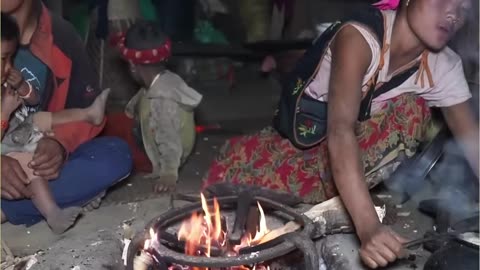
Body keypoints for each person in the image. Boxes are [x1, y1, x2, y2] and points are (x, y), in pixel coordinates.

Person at [202, 0, 478, 268]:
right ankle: (344, 204)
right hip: (306, 152)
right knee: (247, 201)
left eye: (464, 7)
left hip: (350, 160)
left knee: (410, 110)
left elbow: (472, 140)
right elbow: (341, 131)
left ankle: (345, 201)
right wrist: (368, 226)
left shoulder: (443, 66)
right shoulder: (358, 37)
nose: (452, 13)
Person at [1, 0, 133, 227]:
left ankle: (22, 207)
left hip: (30, 152)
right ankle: (32, 206)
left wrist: (59, 143)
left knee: (114, 154)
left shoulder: (61, 35)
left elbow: (85, 111)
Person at [105, 21, 203, 193]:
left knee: (108, 143)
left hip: (160, 154)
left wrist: (168, 174)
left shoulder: (161, 101)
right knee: (113, 123)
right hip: (150, 135)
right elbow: (144, 94)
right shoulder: (164, 79)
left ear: (133, 66)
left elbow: (169, 139)